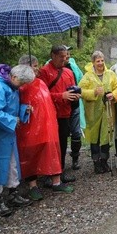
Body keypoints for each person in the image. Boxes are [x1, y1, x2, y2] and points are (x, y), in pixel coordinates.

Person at [16, 55, 73, 202]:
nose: (37, 68)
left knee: (52, 150)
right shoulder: (21, 87)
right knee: (30, 155)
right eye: (34, 66)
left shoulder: (40, 82)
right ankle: (32, 185)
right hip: (30, 127)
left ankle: (56, 181)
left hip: (48, 125)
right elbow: (15, 106)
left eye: (37, 65)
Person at [0, 64, 34, 217]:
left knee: (12, 164)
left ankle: (13, 193)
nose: (23, 86)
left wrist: (23, 109)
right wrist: (13, 120)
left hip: (8, 133)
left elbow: (12, 107)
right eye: (22, 83)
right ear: (13, 77)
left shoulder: (11, 85)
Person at [39, 45, 81, 183]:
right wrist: (60, 96)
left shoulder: (68, 72)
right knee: (49, 144)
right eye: (61, 56)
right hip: (49, 115)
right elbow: (41, 94)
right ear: (53, 55)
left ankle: (60, 171)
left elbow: (72, 89)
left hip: (65, 113)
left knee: (62, 143)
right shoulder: (44, 72)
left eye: (66, 56)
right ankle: (47, 174)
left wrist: (75, 96)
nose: (65, 59)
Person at [79, 51, 117, 173]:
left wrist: (113, 94)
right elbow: (80, 90)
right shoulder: (87, 76)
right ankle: (96, 162)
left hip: (108, 110)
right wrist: (93, 93)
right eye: (98, 61)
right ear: (93, 63)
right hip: (93, 111)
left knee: (106, 135)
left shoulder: (111, 74)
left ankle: (104, 161)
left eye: (102, 60)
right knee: (95, 137)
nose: (100, 63)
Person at [64, 46, 85, 171]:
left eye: (68, 53)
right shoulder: (50, 68)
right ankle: (59, 163)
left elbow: (80, 81)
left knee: (76, 133)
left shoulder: (73, 66)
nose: (67, 55)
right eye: (65, 53)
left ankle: (75, 158)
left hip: (74, 105)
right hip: (60, 107)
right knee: (61, 135)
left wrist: (79, 92)